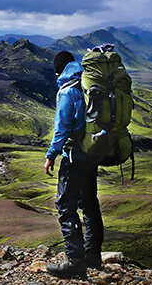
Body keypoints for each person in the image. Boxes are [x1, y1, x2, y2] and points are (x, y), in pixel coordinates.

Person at [43, 51, 104, 280]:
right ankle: (93, 255)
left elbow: (62, 128)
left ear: (58, 69)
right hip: (92, 153)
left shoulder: (68, 90)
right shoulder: (87, 84)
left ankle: (75, 261)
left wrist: (51, 155)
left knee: (65, 204)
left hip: (74, 156)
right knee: (89, 202)